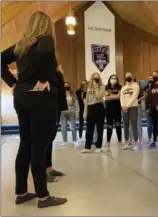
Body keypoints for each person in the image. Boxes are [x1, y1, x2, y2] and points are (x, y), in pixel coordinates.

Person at [1, 11, 67, 208]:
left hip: (21, 97)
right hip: (39, 98)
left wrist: (13, 82)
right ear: (46, 25)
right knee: (39, 147)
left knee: (26, 145)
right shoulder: (44, 40)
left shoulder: (20, 45)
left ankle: (21, 192)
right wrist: (45, 78)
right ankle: (43, 197)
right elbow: (43, 53)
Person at [45, 65, 68, 183]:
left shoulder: (56, 70)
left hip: (56, 106)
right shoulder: (45, 69)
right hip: (48, 106)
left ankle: (49, 168)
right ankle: (42, 173)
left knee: (50, 139)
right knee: (44, 140)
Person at [79, 72, 106, 153]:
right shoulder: (88, 88)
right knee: (89, 129)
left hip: (99, 108)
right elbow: (86, 102)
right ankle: (87, 147)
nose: (95, 80)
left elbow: (99, 97)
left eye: (97, 78)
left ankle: (99, 146)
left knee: (99, 129)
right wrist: (85, 113)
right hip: (90, 109)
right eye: (94, 78)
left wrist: (96, 87)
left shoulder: (102, 87)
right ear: (91, 79)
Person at [120, 72, 140, 151]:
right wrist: (123, 106)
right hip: (124, 108)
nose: (127, 77)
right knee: (125, 126)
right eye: (126, 76)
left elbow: (134, 96)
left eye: (129, 76)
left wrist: (127, 106)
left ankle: (135, 142)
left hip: (133, 107)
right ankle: (126, 143)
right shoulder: (123, 87)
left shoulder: (136, 86)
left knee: (134, 125)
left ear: (132, 77)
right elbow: (122, 97)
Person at [146, 71, 158, 148]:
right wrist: (148, 107)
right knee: (154, 125)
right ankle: (154, 141)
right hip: (153, 108)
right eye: (153, 75)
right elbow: (149, 96)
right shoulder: (152, 85)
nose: (154, 77)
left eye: (155, 75)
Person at [104, 74, 122, 149]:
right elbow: (105, 97)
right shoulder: (106, 87)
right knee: (109, 125)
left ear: (117, 80)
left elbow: (120, 97)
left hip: (117, 108)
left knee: (118, 125)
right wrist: (116, 96)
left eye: (115, 78)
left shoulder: (120, 87)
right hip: (108, 109)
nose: (113, 79)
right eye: (112, 78)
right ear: (109, 79)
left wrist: (110, 95)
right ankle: (108, 141)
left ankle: (120, 140)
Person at [130, 78, 145, 146]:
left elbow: (144, 95)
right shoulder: (128, 88)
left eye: (133, 80)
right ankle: (131, 139)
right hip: (130, 107)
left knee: (138, 124)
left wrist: (139, 99)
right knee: (131, 125)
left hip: (138, 106)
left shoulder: (138, 87)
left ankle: (140, 140)